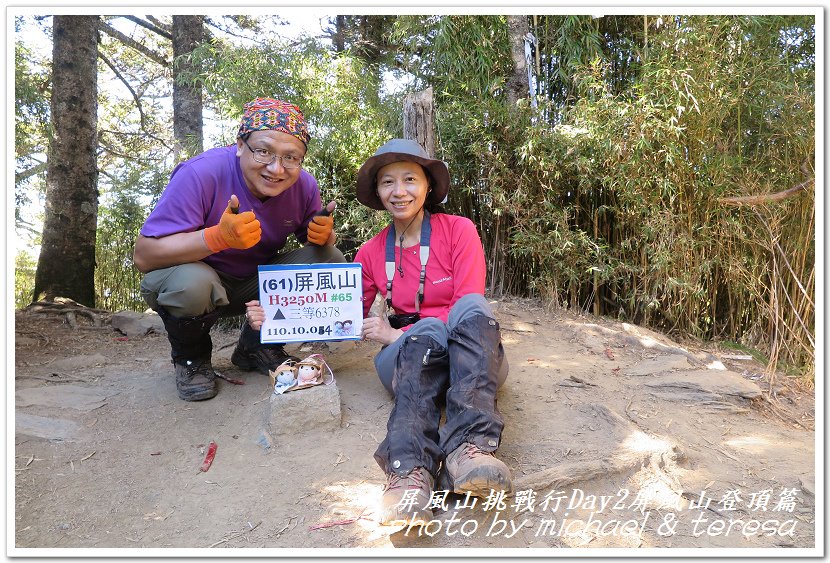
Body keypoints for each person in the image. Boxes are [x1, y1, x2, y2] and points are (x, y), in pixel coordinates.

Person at [133, 97, 345, 402]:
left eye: (291, 157)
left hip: (250, 287)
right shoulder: (201, 174)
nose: (277, 168)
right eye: (263, 151)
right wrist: (216, 238)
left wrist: (325, 236)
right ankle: (191, 359)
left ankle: (255, 345)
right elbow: (143, 256)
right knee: (194, 282)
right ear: (239, 145)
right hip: (195, 284)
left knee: (331, 259)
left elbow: (314, 246)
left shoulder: (303, 186)